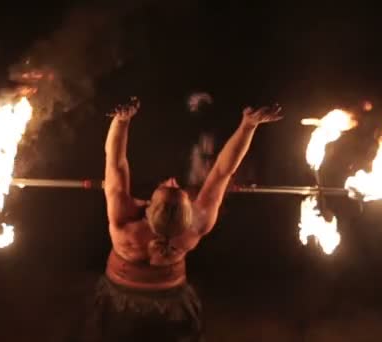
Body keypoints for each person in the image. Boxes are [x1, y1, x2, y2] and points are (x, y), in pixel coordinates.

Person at [82, 97, 282, 341]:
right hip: (170, 300)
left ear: (149, 208)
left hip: (123, 300)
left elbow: (115, 163)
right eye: (176, 188)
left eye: (167, 188)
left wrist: (121, 121)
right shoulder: (196, 225)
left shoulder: (125, 223)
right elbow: (222, 171)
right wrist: (248, 126)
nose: (172, 180)